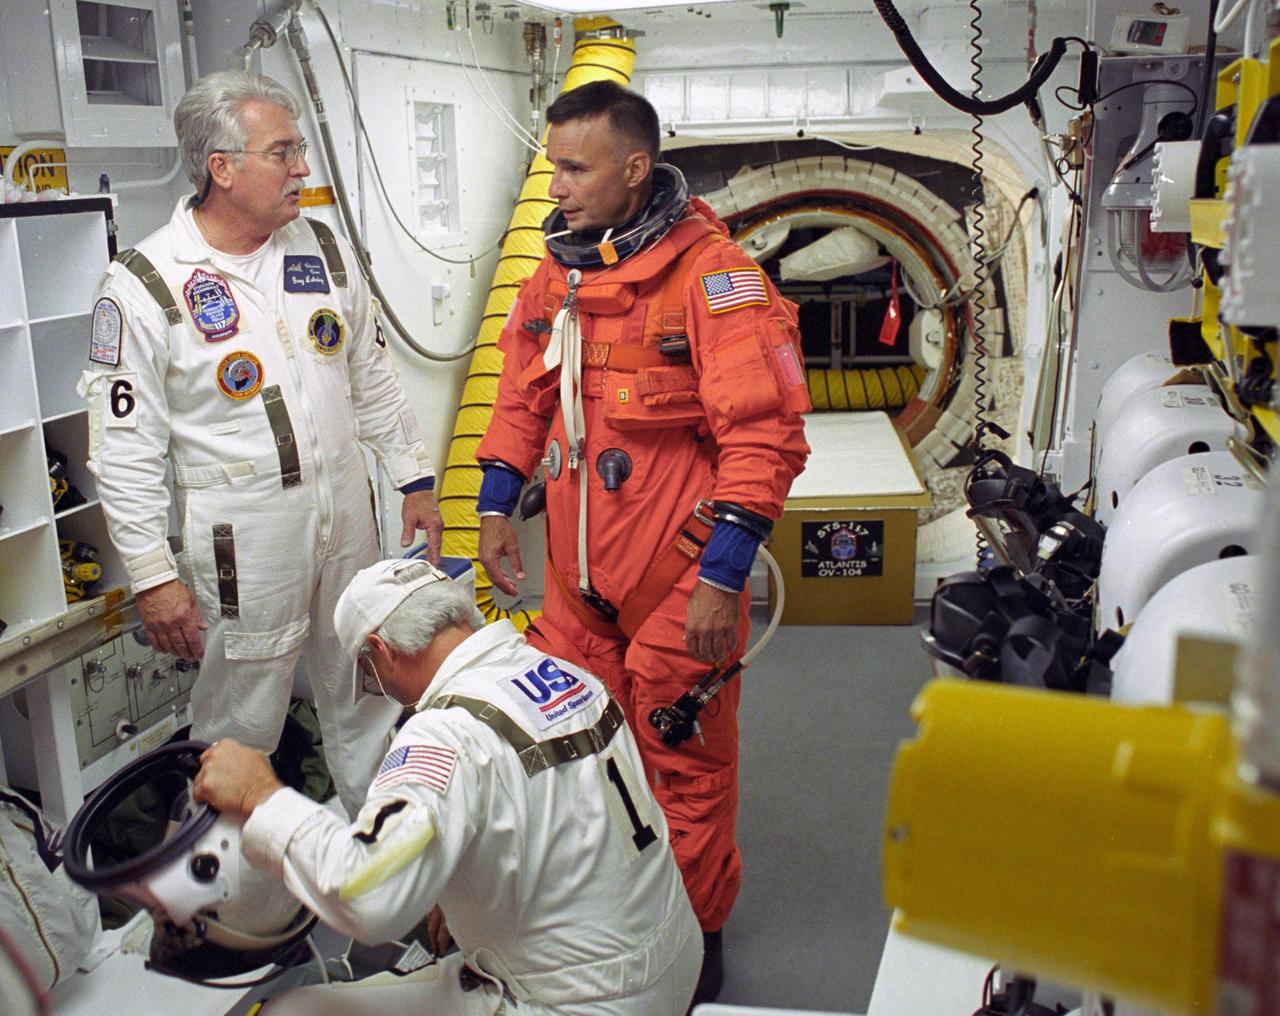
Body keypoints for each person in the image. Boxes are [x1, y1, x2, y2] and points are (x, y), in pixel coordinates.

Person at [475, 80, 810, 1002]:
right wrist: (497, 503)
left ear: (635, 168)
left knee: (684, 770)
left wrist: (722, 578)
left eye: (576, 169)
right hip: (576, 589)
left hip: (678, 580)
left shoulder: (713, 278)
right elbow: (521, 397)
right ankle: (603, 911)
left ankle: (692, 942)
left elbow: (766, 436)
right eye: (552, 167)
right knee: (576, 748)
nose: (558, 188)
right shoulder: (558, 275)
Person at [81, 71, 441, 816]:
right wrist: (152, 575)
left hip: (347, 515)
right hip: (244, 538)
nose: (302, 168)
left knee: (369, 695)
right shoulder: (148, 281)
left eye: (300, 149)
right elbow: (124, 447)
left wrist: (413, 479)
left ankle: (387, 876)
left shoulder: (321, 250)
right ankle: (233, 911)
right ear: (223, 168)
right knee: (243, 720)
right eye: (284, 152)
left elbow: (368, 373)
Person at [193, 558, 702, 1015]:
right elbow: (557, 820)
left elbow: (367, 898)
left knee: (291, 1010)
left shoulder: (443, 732)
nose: (381, 692)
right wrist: (451, 879)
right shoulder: (565, 675)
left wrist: (262, 796)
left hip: (577, 1003)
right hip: (674, 958)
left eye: (369, 677)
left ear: (378, 652)